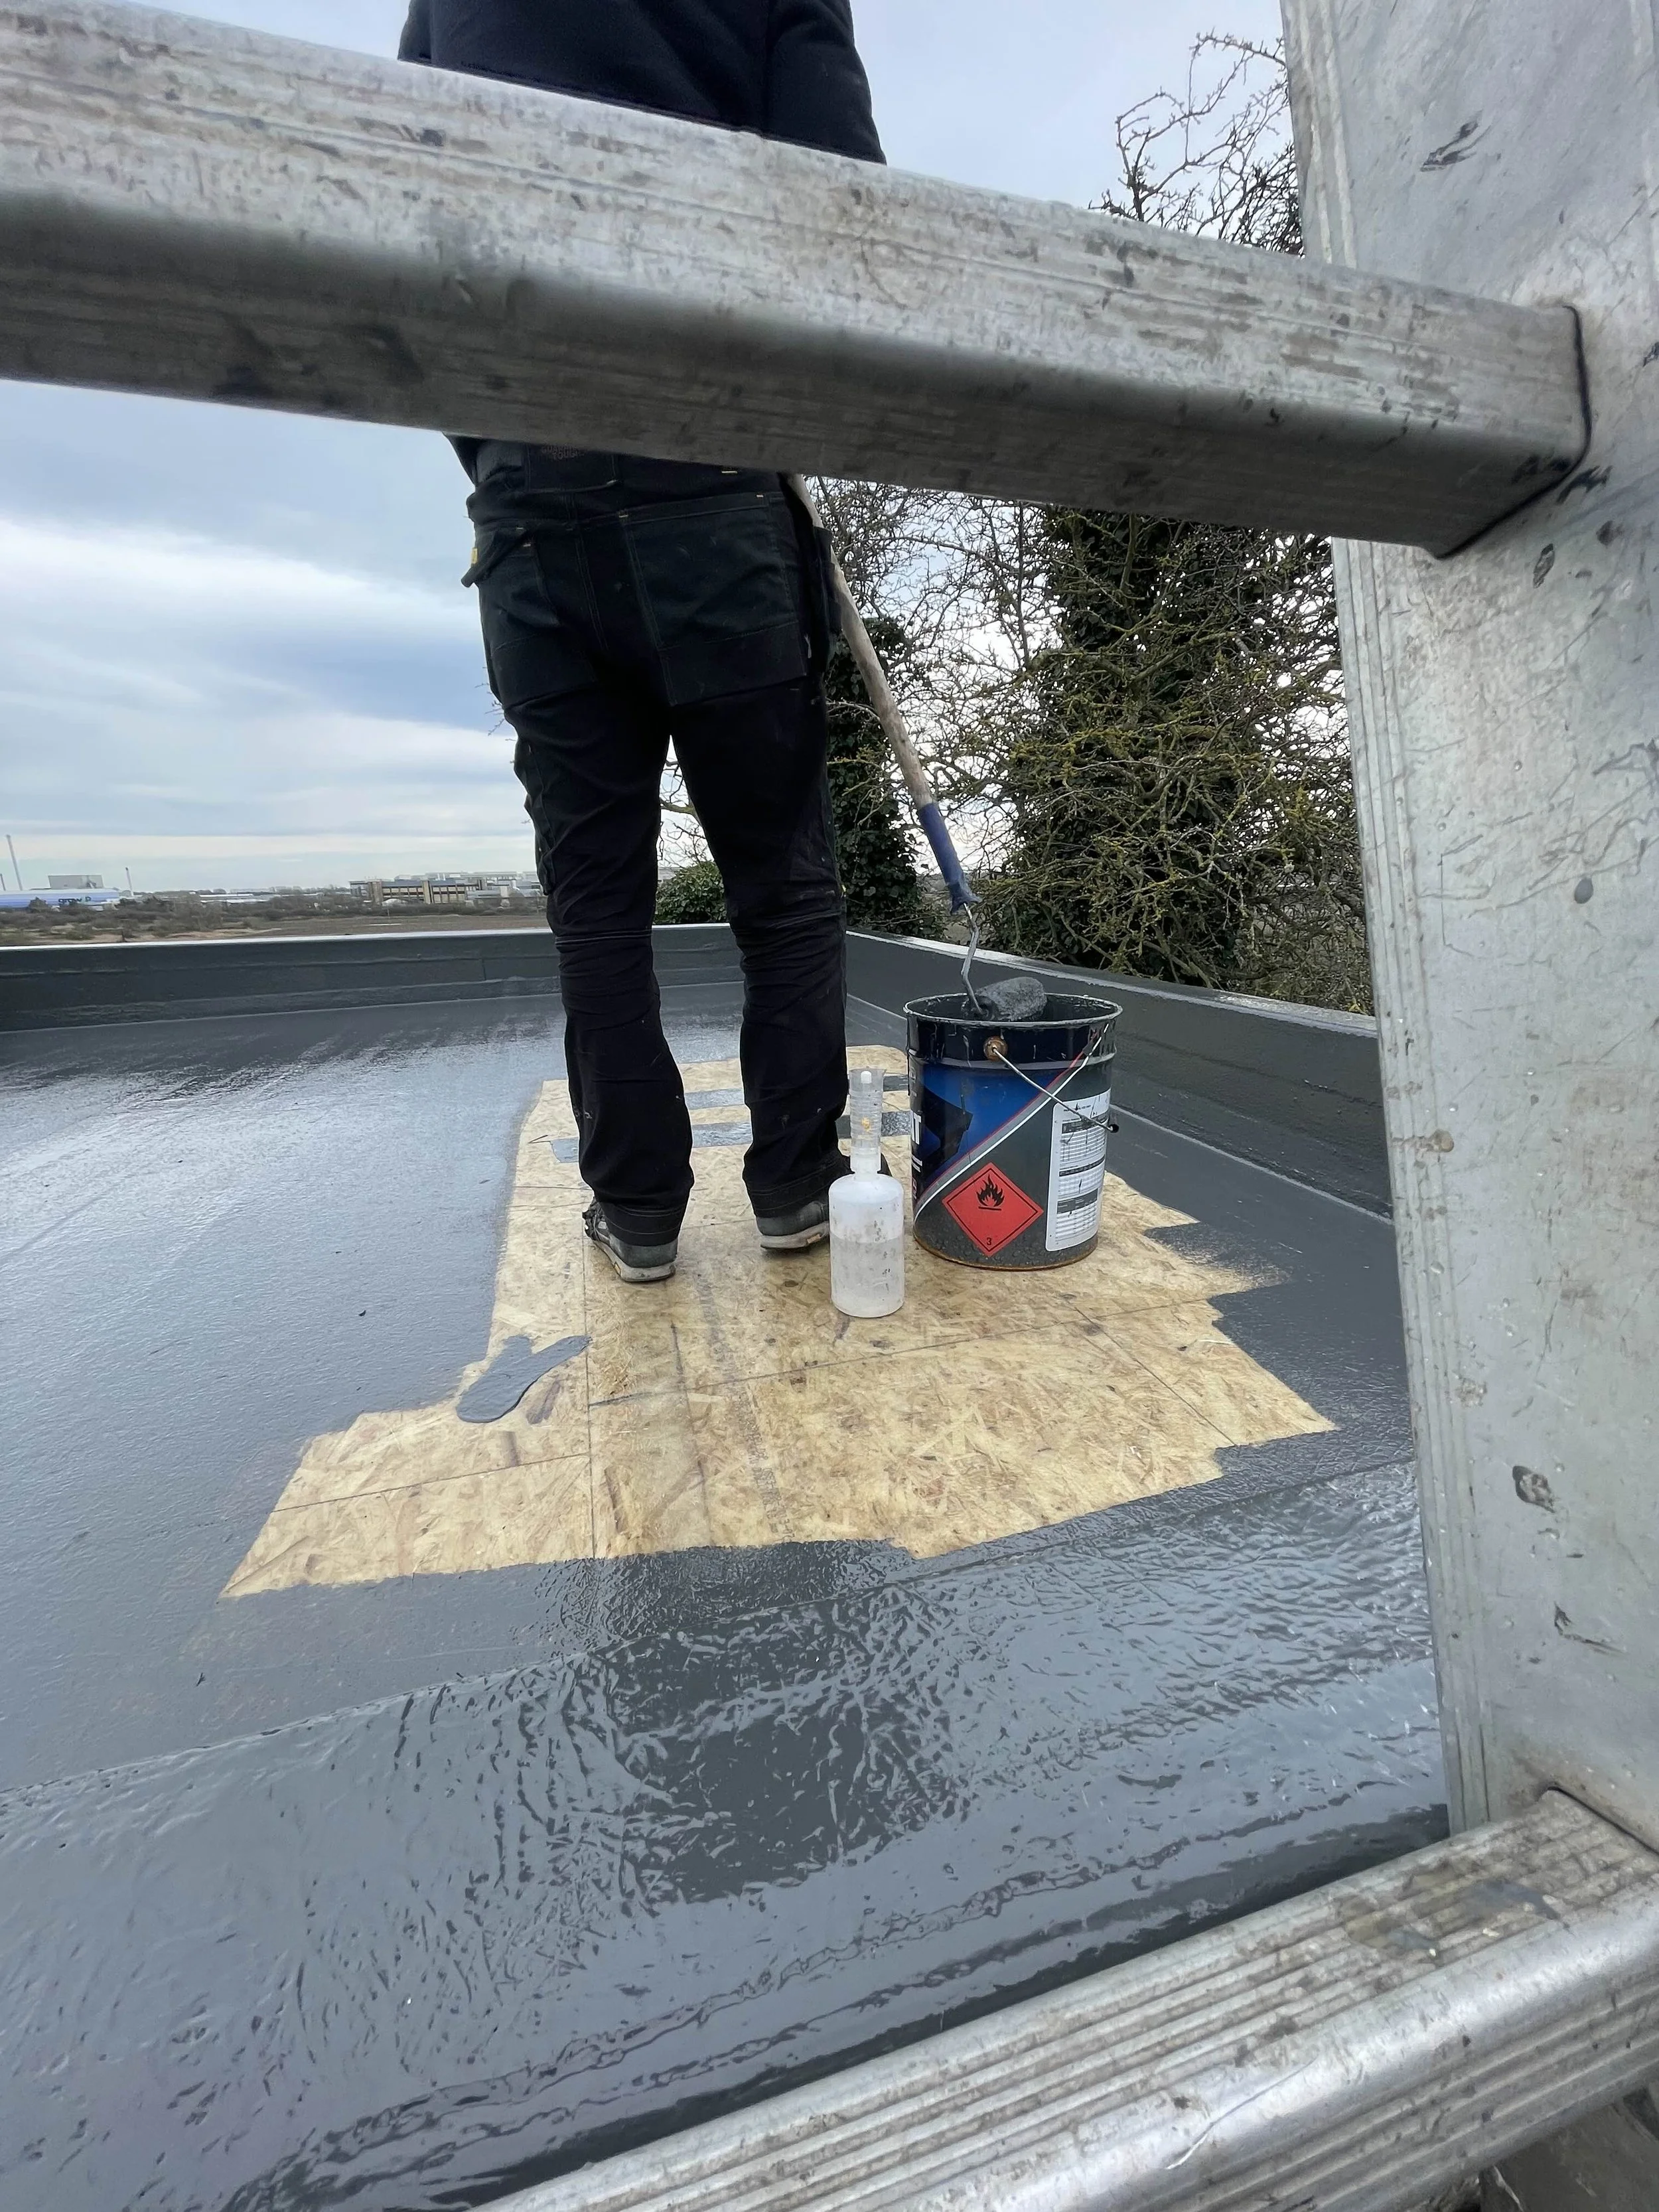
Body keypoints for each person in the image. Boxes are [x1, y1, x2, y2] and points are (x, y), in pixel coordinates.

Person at [397, 1, 884, 1284]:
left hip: (530, 514)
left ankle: (641, 1210)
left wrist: (504, 456)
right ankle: (795, 1185)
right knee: (780, 888)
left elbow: (406, 211)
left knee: (596, 902)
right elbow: (849, 216)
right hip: (713, 491)